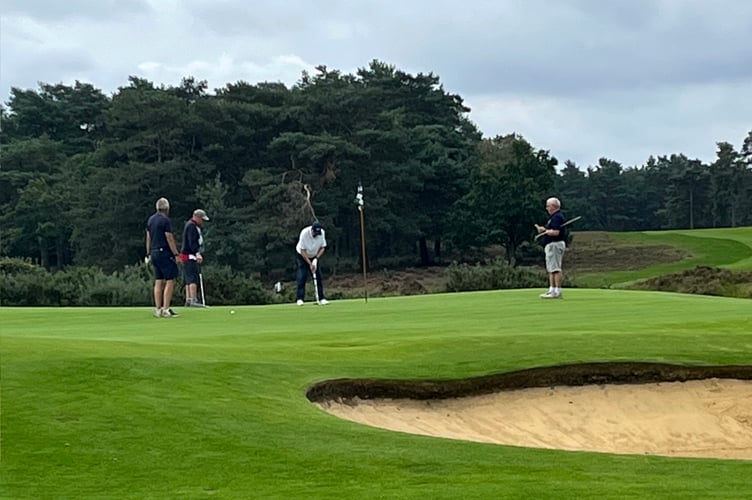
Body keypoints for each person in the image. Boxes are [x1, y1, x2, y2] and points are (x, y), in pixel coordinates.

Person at [146, 197, 181, 317]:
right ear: (166, 208)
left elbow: (148, 237)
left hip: (154, 252)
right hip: (164, 252)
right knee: (170, 280)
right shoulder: (165, 220)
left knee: (158, 280)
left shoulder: (150, 220)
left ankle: (158, 309)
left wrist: (148, 253)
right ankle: (166, 308)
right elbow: (169, 237)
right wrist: (176, 254)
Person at [535, 197, 566, 299]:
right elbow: (551, 229)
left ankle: (557, 291)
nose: (546, 208)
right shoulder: (553, 217)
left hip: (555, 244)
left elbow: (556, 232)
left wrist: (548, 232)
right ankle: (552, 289)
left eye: (548, 206)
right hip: (552, 245)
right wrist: (544, 229)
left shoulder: (557, 217)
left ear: (553, 206)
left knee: (555, 268)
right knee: (551, 268)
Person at [180, 209, 209, 307]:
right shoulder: (191, 227)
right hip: (190, 256)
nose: (203, 222)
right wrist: (197, 253)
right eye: (202, 219)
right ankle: (193, 299)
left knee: (188, 277)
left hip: (187, 256)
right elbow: (192, 242)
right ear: (196, 217)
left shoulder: (192, 226)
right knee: (193, 278)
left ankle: (188, 299)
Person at [295, 221, 328, 305]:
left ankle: (321, 298)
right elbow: (302, 251)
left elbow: (323, 247)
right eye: (315, 232)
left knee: (318, 276)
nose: (317, 234)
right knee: (302, 276)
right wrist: (310, 264)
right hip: (302, 256)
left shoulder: (322, 233)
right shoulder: (304, 233)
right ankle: (300, 298)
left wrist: (316, 259)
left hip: (314, 256)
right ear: (312, 230)